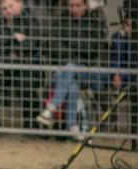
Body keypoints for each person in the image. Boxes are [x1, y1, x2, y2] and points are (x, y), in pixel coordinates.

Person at [36, 0, 108, 139]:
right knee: (71, 81)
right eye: (71, 5)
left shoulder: (94, 23)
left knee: (71, 69)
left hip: (87, 73)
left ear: (86, 6)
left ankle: (51, 109)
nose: (74, 9)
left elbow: (93, 47)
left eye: (78, 5)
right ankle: (73, 127)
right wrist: (78, 50)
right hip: (62, 71)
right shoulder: (59, 21)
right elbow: (53, 47)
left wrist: (70, 44)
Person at [0, 0, 43, 131]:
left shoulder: (30, 21)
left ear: (19, 5)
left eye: (11, 7)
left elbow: (32, 44)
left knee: (26, 83)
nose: (8, 11)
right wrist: (12, 37)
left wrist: (8, 46)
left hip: (26, 66)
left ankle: (31, 124)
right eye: (4, 8)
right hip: (2, 68)